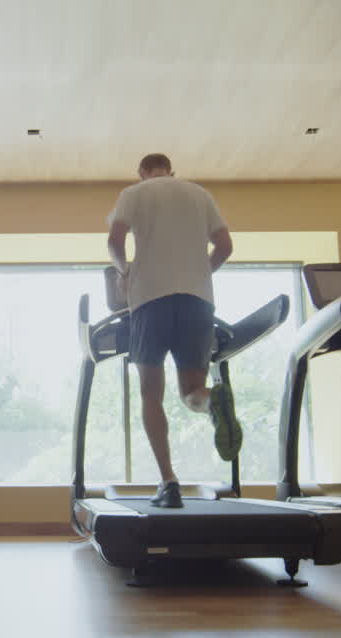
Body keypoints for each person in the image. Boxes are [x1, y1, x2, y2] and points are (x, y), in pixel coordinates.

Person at [107, 153, 239, 509]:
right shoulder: (198, 193)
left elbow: (115, 242)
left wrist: (124, 273)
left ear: (142, 173)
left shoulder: (134, 193)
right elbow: (225, 246)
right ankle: (214, 400)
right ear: (172, 171)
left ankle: (169, 481)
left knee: (152, 393)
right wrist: (199, 273)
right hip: (198, 301)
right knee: (192, 390)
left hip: (151, 299)